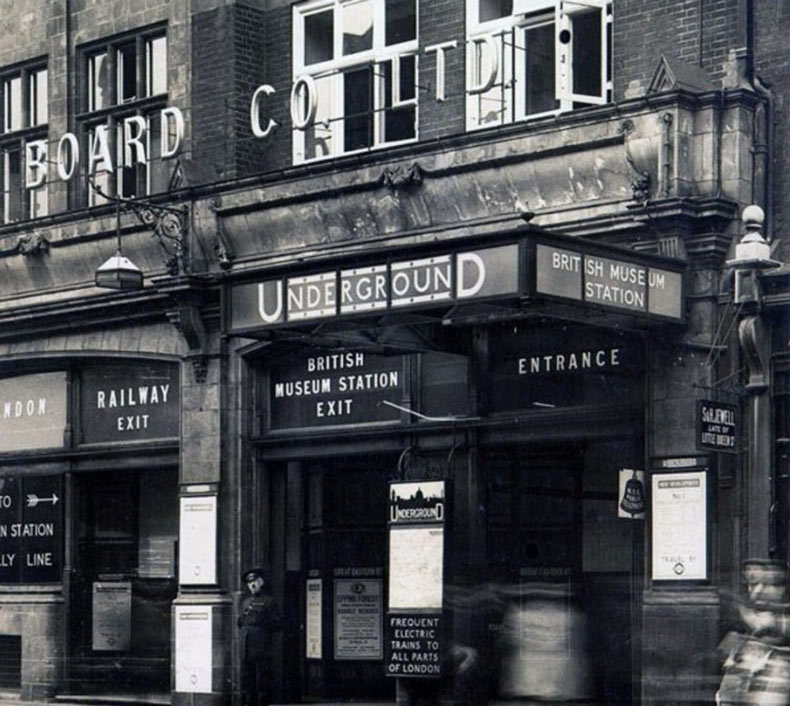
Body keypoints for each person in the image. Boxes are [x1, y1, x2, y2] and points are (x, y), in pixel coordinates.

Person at [238, 567, 283, 706]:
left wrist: (262, 625)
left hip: (262, 648)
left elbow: (277, 623)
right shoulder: (245, 602)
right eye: (249, 582)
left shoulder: (269, 602)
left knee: (262, 682)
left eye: (255, 581)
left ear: (261, 582)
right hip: (246, 648)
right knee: (247, 681)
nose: (252, 585)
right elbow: (240, 622)